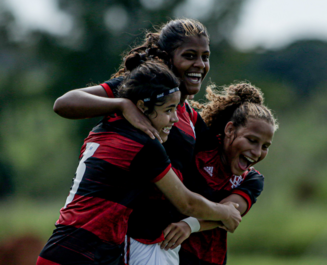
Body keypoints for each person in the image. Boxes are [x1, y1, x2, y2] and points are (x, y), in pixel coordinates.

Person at [52, 19, 259, 264]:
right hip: (132, 237)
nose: (200, 65)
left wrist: (251, 185)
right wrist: (122, 103)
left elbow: (220, 159)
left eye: (205, 56)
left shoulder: (188, 116)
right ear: (167, 57)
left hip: (162, 240)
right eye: (190, 55)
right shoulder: (142, 93)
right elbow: (64, 103)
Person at [159, 83, 278, 265]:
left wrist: (189, 225)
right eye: (252, 140)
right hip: (168, 250)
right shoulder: (200, 144)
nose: (257, 152)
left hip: (211, 259)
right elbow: (223, 214)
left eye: (265, 146)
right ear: (230, 130)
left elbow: (230, 214)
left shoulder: (252, 179)